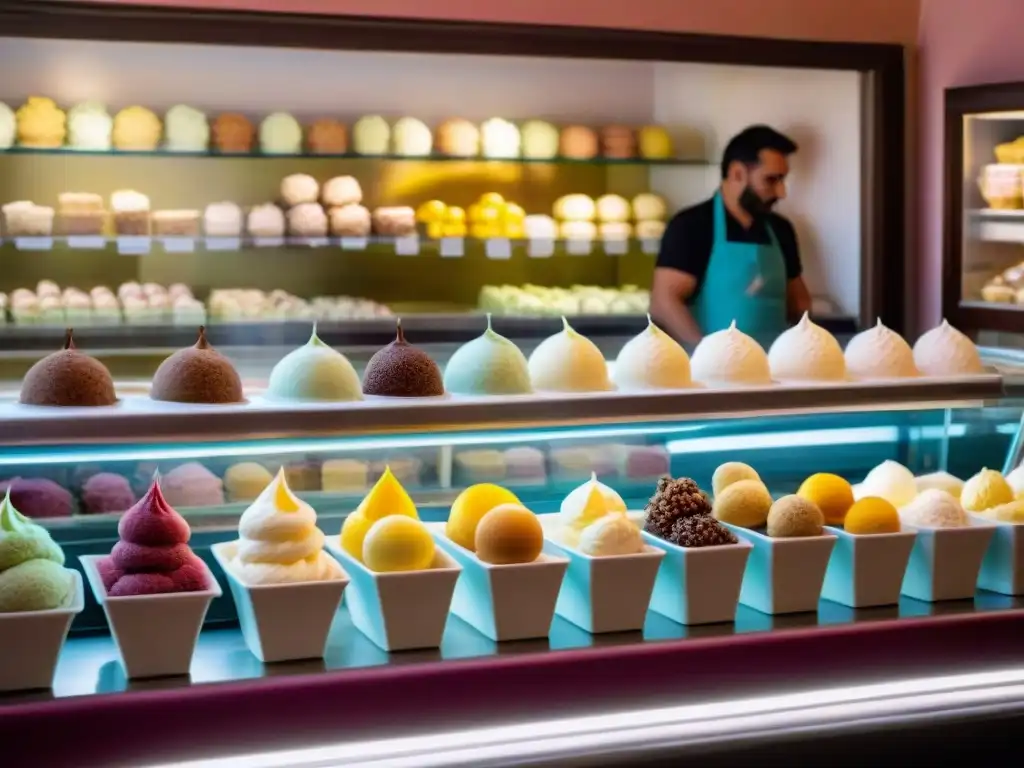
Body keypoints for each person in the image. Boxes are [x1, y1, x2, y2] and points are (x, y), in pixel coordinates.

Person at [650, 124, 812, 347]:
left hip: (774, 371)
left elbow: (799, 302)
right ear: (737, 173)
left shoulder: (781, 230)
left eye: (783, 180)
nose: (781, 192)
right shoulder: (692, 225)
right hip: (710, 374)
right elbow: (663, 302)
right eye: (771, 180)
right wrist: (705, 356)